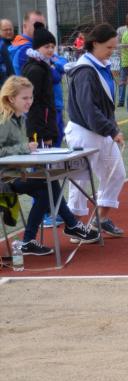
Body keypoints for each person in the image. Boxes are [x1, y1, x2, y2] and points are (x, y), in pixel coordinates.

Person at [0, 75, 99, 255]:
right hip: (4, 180)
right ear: (11, 98)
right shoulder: (4, 121)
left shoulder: (19, 118)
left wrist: (27, 151)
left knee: (47, 186)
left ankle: (31, 240)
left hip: (13, 174)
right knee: (48, 183)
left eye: (31, 97)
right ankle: (70, 225)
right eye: (24, 98)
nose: (29, 101)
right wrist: (24, 148)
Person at [65, 23, 126, 238]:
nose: (112, 52)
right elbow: (89, 109)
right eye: (109, 47)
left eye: (113, 47)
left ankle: (100, 219)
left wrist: (111, 127)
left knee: (116, 173)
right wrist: (112, 130)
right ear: (94, 44)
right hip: (84, 132)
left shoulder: (100, 66)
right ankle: (75, 227)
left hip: (102, 132)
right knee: (80, 180)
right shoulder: (85, 71)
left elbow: (104, 105)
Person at [21, 22, 59, 147]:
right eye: (47, 47)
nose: (51, 50)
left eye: (52, 46)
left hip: (43, 127)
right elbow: (34, 104)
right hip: (40, 131)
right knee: (41, 158)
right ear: (37, 48)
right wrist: (46, 133)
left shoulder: (43, 66)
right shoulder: (35, 70)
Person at [9, 10, 46, 75]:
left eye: (42, 26)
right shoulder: (26, 49)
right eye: (36, 26)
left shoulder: (18, 43)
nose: (40, 29)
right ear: (25, 26)